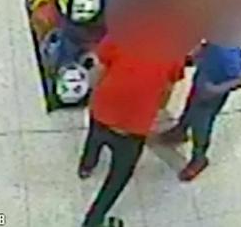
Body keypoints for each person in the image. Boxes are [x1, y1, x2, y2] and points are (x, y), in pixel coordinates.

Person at [79, 32, 186, 226]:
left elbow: (98, 72)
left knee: (93, 140)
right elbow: (166, 91)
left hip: (103, 111)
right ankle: (93, 219)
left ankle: (86, 167)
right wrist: (155, 107)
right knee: (118, 178)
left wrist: (97, 95)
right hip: (133, 129)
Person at [159, 42, 241, 180]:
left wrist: (216, 90)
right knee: (190, 106)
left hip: (210, 96)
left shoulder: (227, 51)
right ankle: (181, 130)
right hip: (202, 80)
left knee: (201, 125)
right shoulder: (217, 35)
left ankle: (199, 158)